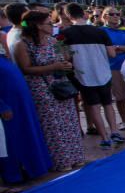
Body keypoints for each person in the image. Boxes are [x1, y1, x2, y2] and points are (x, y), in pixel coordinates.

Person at [13, 11, 86, 170]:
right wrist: (53, 67)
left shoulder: (53, 41)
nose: (52, 26)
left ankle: (75, 156)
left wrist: (66, 64)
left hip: (61, 84)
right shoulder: (23, 44)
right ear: (38, 25)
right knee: (53, 126)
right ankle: (61, 161)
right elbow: (26, 68)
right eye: (48, 23)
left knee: (69, 122)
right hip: (42, 88)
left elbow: (63, 59)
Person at [60, 2, 124, 149]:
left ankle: (104, 137)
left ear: (69, 16)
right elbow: (112, 53)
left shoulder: (65, 34)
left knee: (94, 106)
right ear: (83, 13)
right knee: (108, 104)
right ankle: (114, 131)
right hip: (103, 72)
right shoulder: (100, 32)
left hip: (84, 75)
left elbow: (65, 57)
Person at [0, 29, 52, 185]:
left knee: (26, 132)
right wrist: (2, 105)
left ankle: (32, 168)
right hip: (7, 102)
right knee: (11, 140)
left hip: (18, 99)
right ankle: (14, 174)